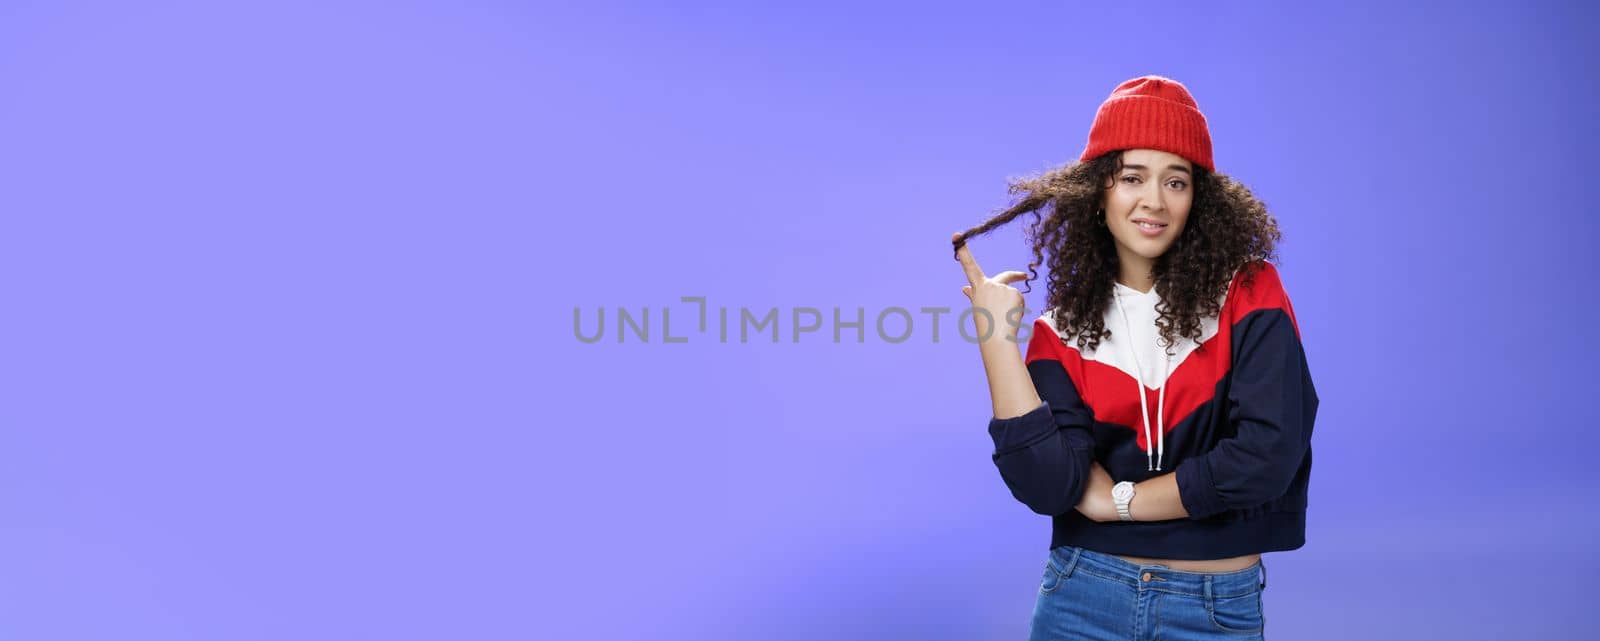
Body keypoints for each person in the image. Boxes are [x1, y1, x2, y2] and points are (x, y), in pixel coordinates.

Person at [951, 75, 1318, 640]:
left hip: (1214, 609)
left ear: (1200, 199)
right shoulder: (1063, 331)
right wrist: (997, 340)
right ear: (1099, 190)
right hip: (1081, 599)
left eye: (1177, 181)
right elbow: (1051, 487)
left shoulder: (1249, 294)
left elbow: (1267, 457)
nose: (1154, 201)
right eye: (1132, 178)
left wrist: (1118, 502)